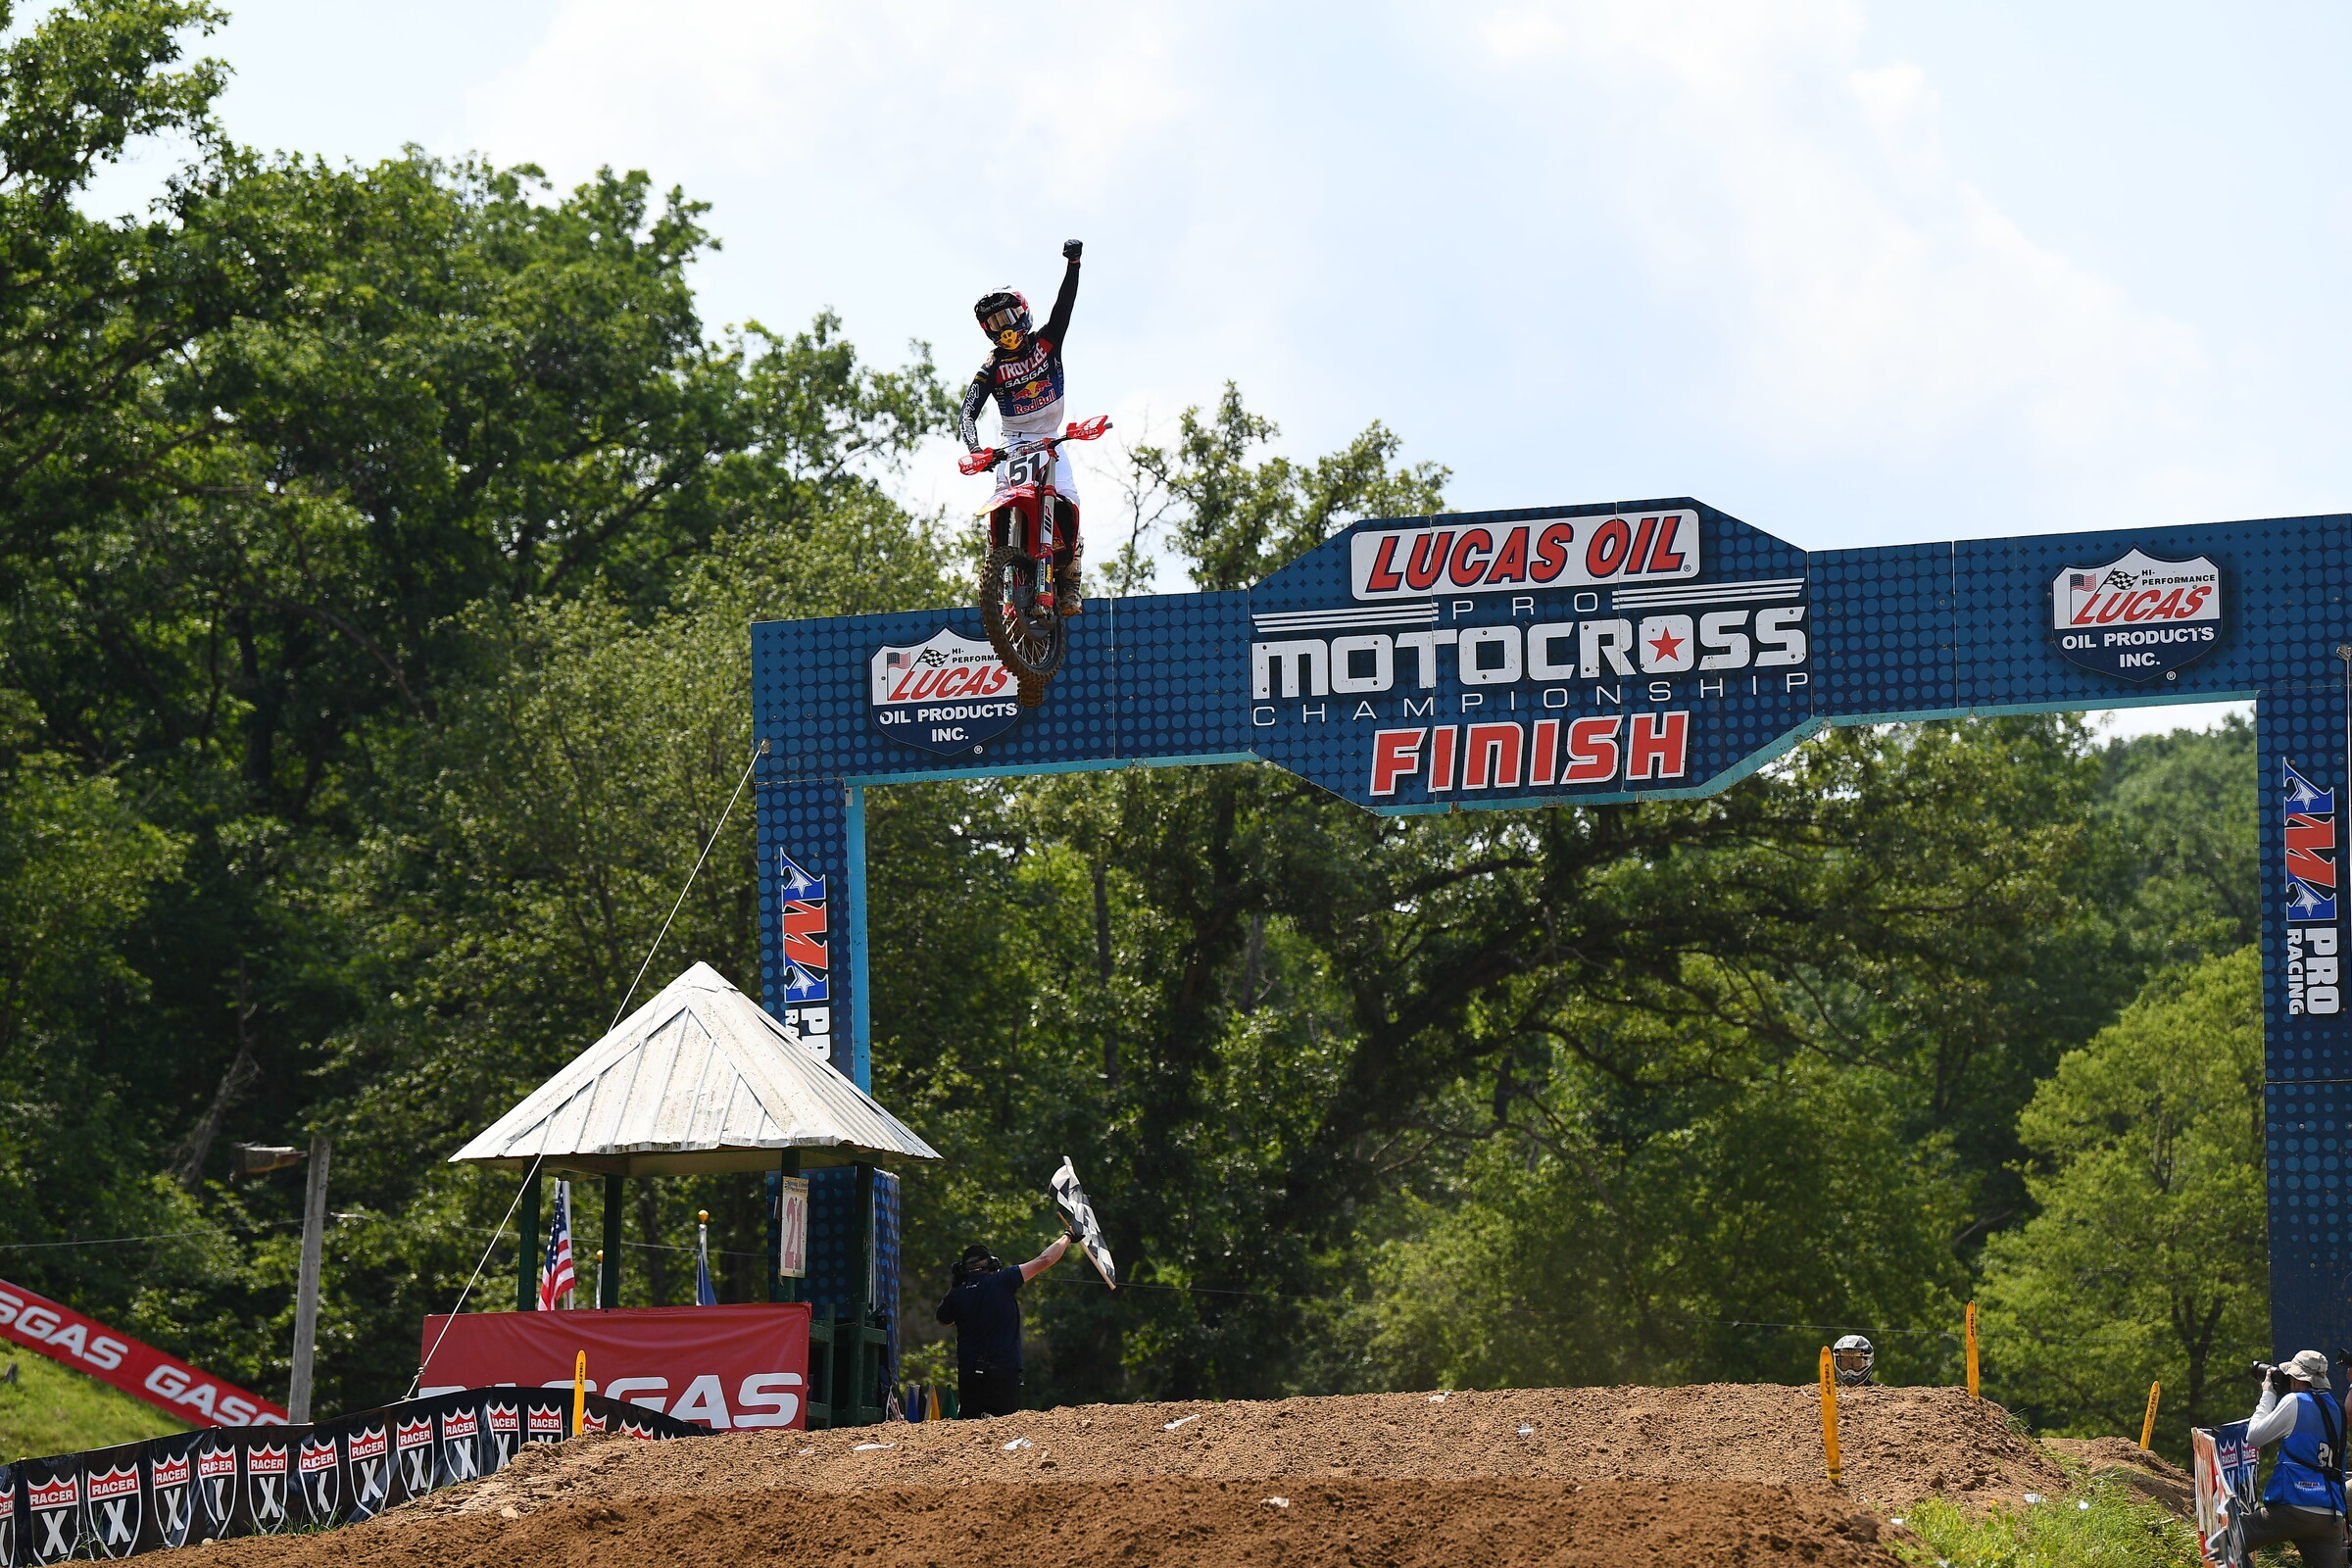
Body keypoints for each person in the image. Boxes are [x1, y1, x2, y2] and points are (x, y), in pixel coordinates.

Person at [960, 239, 1087, 614]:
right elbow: (968, 411)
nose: (1004, 328)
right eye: (995, 323)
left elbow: (1065, 305)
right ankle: (998, 568)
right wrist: (976, 452)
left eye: (1007, 317)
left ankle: (1071, 577)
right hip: (1013, 444)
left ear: (1023, 314)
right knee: (997, 503)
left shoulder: (1047, 342)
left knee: (1072, 500)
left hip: (1051, 439)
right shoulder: (992, 366)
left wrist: (1074, 264)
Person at [934, 1231, 1071, 1417]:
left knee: (970, 1433)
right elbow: (1046, 1259)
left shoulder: (957, 1295)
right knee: (1003, 1432)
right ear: (991, 1264)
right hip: (1002, 1372)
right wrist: (1067, 1236)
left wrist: (956, 1284)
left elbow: (943, 1319)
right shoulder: (1003, 1280)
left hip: (969, 1374)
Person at [2240, 1349, 2346, 1567]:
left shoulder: (2295, 1401)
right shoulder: (2337, 1409)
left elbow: (2254, 1436)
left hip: (2294, 1506)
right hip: (2330, 1515)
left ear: (2297, 1378)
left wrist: (2268, 1392)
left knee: (2225, 1541)